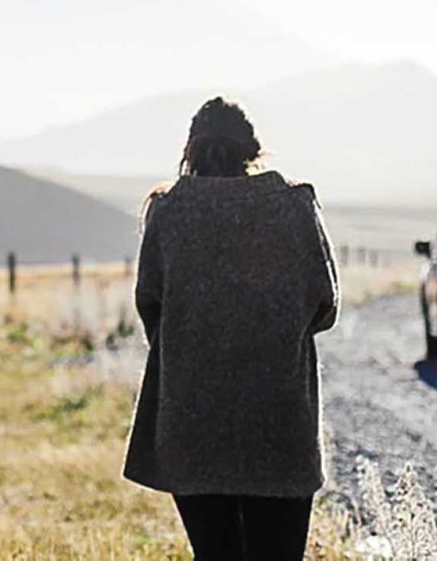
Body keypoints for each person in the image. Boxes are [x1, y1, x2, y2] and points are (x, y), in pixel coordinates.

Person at [121, 97, 340, 560]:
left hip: (191, 422)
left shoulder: (168, 211)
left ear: (190, 150)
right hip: (279, 421)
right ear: (253, 149)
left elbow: (151, 308)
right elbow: (324, 304)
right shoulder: (293, 204)